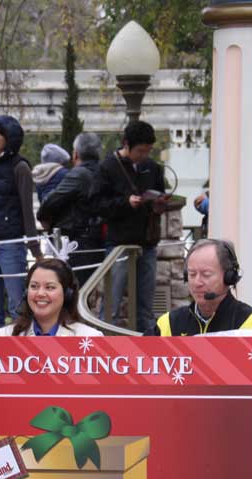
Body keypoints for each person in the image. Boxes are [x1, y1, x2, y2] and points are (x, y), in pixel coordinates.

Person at [0, 115, 42, 335]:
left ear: (9, 137)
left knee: (16, 303)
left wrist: (34, 248)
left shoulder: (20, 167)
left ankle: (20, 350)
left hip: (10, 245)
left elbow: (26, 210)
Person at [97, 120, 166, 333]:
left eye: (148, 151)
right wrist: (125, 203)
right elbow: (96, 203)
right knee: (112, 303)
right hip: (119, 243)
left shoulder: (152, 168)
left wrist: (159, 204)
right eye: (140, 151)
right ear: (126, 144)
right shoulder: (108, 167)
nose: (143, 156)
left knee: (146, 304)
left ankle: (147, 347)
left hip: (147, 242)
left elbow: (160, 194)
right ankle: (104, 344)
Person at [151, 238, 252, 336]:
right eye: (192, 274)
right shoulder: (168, 324)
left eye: (206, 274)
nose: (197, 282)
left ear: (229, 276)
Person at [37, 132, 106, 287]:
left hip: (77, 243)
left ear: (75, 154)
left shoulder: (79, 174)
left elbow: (51, 202)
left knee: (72, 290)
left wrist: (44, 216)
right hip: (97, 239)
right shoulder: (103, 172)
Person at [0, 258, 103, 337]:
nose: (40, 293)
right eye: (34, 286)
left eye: (50, 287)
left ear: (67, 293)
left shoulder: (89, 337)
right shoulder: (5, 335)